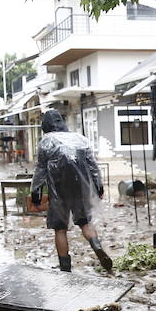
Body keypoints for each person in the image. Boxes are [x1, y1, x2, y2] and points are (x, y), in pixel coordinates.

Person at [30, 109, 114, 272]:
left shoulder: (46, 142)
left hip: (58, 189)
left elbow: (40, 170)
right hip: (80, 188)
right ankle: (97, 246)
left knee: (60, 228)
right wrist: (99, 186)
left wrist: (36, 193)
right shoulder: (80, 139)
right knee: (85, 222)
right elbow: (93, 166)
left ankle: (65, 268)